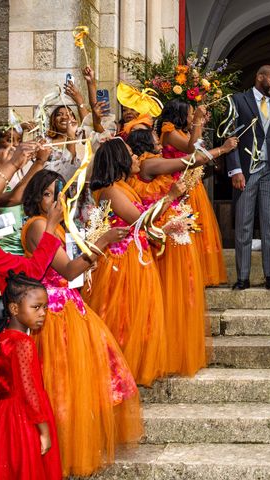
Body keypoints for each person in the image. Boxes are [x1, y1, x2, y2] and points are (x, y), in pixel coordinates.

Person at [21, 170, 143, 477]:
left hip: (69, 309)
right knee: (62, 386)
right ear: (37, 198)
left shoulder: (57, 226)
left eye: (59, 194)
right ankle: (62, 452)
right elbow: (69, 268)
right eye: (49, 194)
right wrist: (101, 241)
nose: (56, 201)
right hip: (53, 314)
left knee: (87, 379)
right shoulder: (38, 225)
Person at [127, 128, 236, 375]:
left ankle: (177, 349)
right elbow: (191, 159)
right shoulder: (149, 164)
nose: (159, 141)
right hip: (166, 236)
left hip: (175, 231)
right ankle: (171, 353)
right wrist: (223, 149)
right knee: (176, 293)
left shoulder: (152, 164)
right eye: (154, 139)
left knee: (183, 292)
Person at [82, 138, 173, 386]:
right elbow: (139, 219)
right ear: (119, 159)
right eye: (131, 154)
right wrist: (170, 197)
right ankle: (118, 373)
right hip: (121, 261)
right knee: (123, 314)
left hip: (135, 256)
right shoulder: (111, 190)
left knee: (140, 315)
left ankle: (132, 369)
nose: (136, 159)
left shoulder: (123, 186)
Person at [0, 272, 62, 480]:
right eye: (36, 307)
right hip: (23, 419)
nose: (43, 313)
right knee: (28, 467)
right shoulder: (24, 343)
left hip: (1, 417)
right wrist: (43, 430)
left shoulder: (1, 337)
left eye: (45, 307)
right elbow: (29, 392)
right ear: (14, 309)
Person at [226, 64, 270, 290]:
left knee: (269, 225)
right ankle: (242, 277)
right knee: (244, 225)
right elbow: (230, 134)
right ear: (260, 77)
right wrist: (235, 169)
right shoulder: (238, 100)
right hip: (246, 172)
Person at [158, 98, 234, 286]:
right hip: (177, 186)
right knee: (185, 229)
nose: (192, 116)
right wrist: (197, 122)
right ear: (180, 114)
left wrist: (197, 125)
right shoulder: (168, 130)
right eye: (190, 113)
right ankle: (186, 275)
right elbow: (192, 150)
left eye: (193, 113)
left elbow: (197, 147)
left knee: (198, 229)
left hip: (192, 185)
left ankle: (198, 273)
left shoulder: (182, 131)